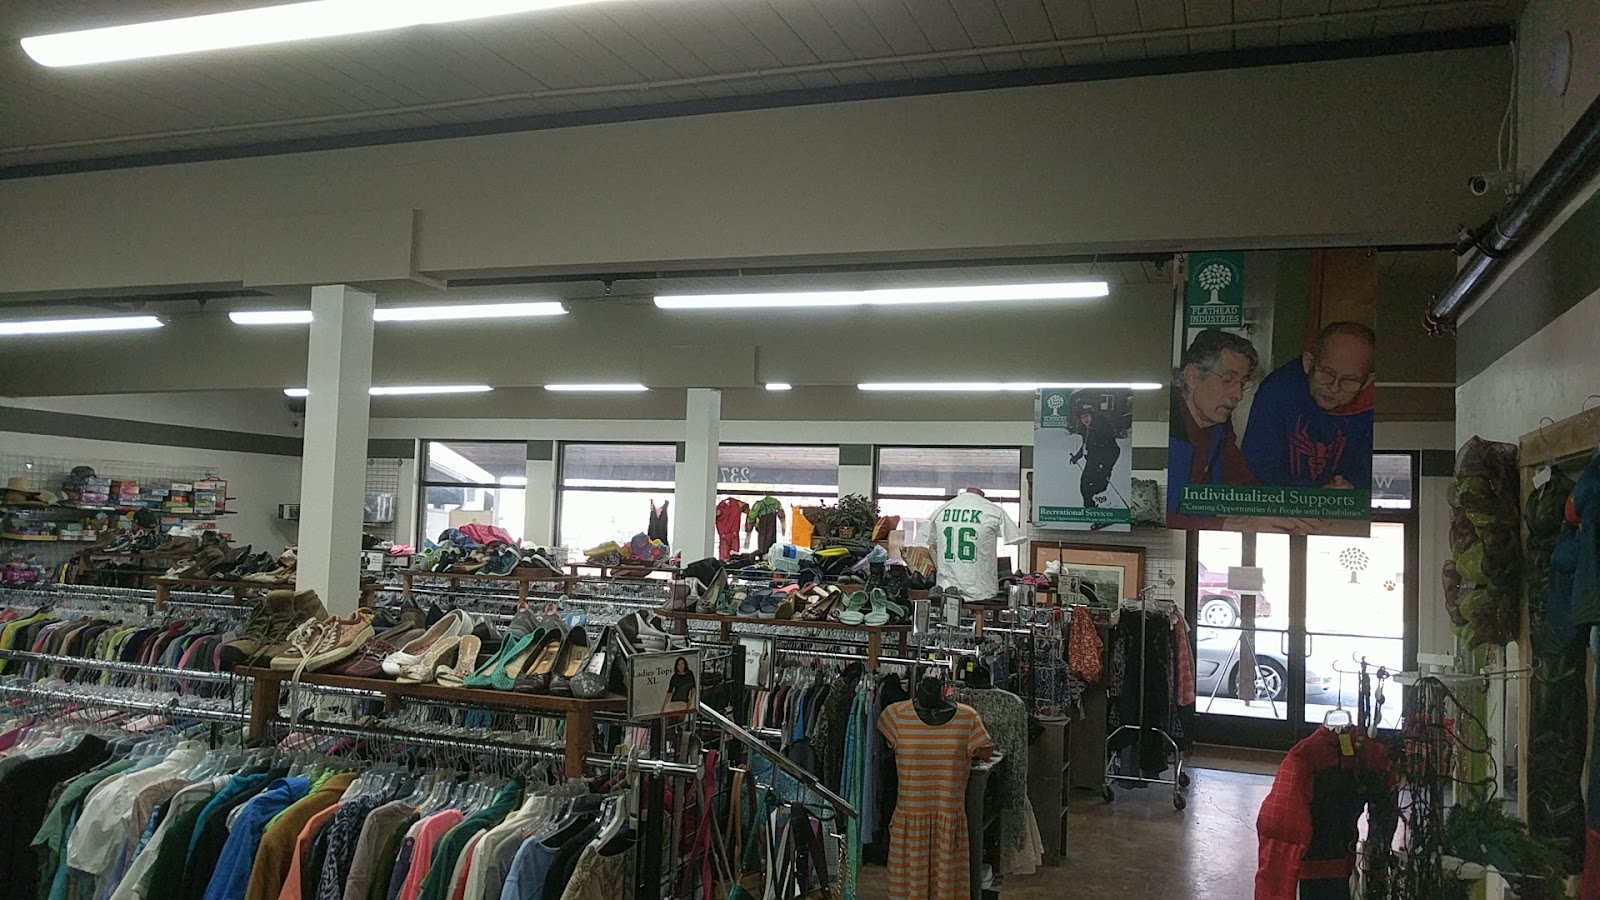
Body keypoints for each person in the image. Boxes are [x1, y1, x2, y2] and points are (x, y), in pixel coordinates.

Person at [1167, 328, 1310, 534]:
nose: (1238, 395)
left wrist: (1301, 511)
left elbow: (1244, 487)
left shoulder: (1219, 427)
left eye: (1243, 383)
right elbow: (1147, 516)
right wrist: (1229, 525)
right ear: (1193, 377)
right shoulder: (1164, 426)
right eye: (1228, 380)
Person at [1242, 321, 1375, 490]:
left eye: (1350, 380)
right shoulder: (1278, 391)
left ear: (1368, 382)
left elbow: (1377, 470)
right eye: (1326, 373)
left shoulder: (1375, 406)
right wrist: (1314, 495)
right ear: (1308, 362)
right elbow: (1257, 464)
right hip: (1281, 504)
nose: (1334, 388)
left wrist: (1353, 488)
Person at [1070, 407, 1121, 507]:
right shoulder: (1086, 430)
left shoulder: (1102, 428)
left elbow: (1114, 449)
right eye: (1082, 417)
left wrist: (1105, 465)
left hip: (1103, 464)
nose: (1085, 419)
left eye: (1086, 416)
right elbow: (1086, 445)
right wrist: (1077, 457)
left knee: (1098, 489)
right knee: (1085, 487)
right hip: (1092, 463)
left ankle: (1103, 512)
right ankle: (1091, 512)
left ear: (1091, 416)